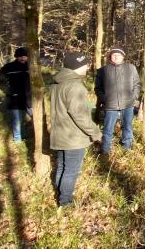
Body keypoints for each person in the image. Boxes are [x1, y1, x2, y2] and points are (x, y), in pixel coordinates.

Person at [50, 52, 102, 207]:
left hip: (59, 132)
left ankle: (60, 195)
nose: (87, 67)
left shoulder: (57, 83)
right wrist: (95, 133)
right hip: (73, 136)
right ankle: (65, 202)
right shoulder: (75, 85)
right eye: (85, 64)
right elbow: (79, 115)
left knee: (61, 166)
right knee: (71, 170)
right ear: (77, 66)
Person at [94, 48, 140, 154]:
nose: (115, 57)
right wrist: (104, 99)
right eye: (113, 55)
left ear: (123, 57)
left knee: (127, 127)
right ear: (110, 57)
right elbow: (97, 88)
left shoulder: (131, 68)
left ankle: (127, 148)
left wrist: (134, 96)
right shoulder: (103, 70)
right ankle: (105, 150)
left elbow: (137, 84)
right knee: (108, 128)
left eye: (118, 55)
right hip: (110, 105)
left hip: (128, 104)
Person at [0, 47, 31, 143]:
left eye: (25, 56)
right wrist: (11, 92)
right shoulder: (8, 67)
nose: (23, 59)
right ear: (16, 57)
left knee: (27, 119)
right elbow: (0, 82)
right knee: (17, 120)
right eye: (21, 57)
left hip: (29, 99)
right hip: (14, 99)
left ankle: (24, 136)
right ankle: (17, 139)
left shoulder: (31, 67)